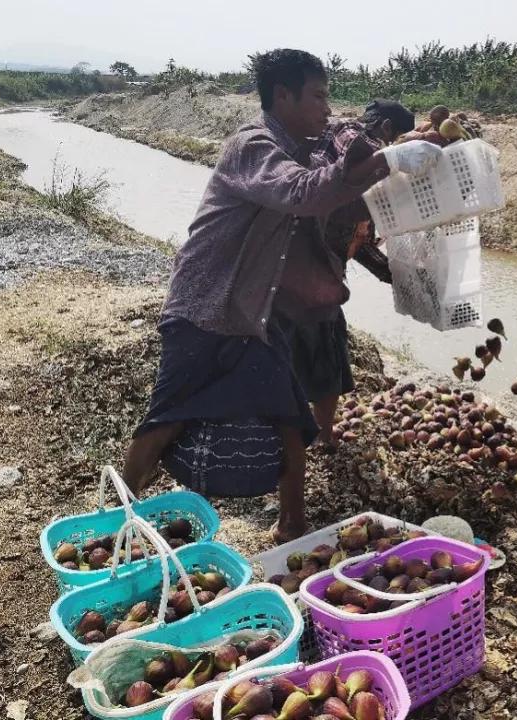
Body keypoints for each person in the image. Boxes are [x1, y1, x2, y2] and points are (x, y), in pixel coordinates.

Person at [122, 49, 441, 543]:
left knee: (289, 417)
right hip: (206, 305)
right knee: (168, 416)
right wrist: (390, 159)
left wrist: (398, 154)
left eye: (327, 96)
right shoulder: (253, 146)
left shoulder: (307, 143)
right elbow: (302, 192)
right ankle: (118, 516)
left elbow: (338, 169)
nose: (325, 107)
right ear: (283, 95)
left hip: (254, 315)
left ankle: (292, 528)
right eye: (318, 96)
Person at [279, 99, 417, 449]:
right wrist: (401, 154)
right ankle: (313, 438)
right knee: (319, 356)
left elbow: (362, 245)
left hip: (320, 276)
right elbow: (357, 147)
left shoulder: (366, 191)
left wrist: (402, 277)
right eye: (394, 138)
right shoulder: (345, 133)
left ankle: (309, 433)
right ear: (385, 128)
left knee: (324, 352)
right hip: (300, 269)